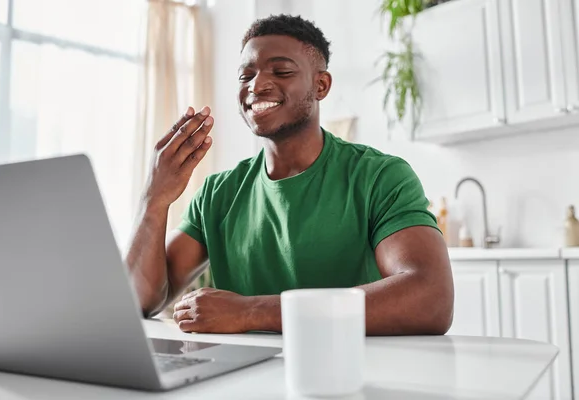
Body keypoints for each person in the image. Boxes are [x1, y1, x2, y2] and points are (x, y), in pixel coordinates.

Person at [125, 14, 454, 336]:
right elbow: (142, 301)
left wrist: (251, 312)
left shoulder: (380, 177)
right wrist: (155, 198)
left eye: (281, 71)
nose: (257, 85)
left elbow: (430, 297)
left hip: (349, 377)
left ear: (321, 85)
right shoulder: (217, 193)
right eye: (245, 75)